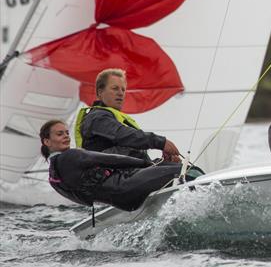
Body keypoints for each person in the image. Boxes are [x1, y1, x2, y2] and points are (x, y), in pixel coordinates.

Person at [40, 119, 182, 211]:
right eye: (60, 134)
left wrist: (158, 165)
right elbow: (114, 160)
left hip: (122, 204)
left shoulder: (54, 178)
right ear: (47, 141)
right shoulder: (71, 156)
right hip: (129, 188)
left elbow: (87, 200)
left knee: (168, 169)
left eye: (66, 133)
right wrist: (150, 164)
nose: (66, 136)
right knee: (181, 170)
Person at [75, 68, 181, 163]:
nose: (121, 93)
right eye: (115, 88)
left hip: (122, 175)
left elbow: (134, 158)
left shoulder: (113, 117)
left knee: (179, 170)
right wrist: (159, 142)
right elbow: (121, 135)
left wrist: (163, 162)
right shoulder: (96, 117)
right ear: (100, 92)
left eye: (123, 89)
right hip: (107, 178)